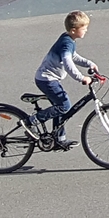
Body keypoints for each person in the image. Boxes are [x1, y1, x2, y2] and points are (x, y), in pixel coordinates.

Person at [33, 11, 98, 150]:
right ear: (74, 30)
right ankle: (34, 120)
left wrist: (89, 63)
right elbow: (68, 62)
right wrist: (81, 78)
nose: (86, 30)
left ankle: (59, 139)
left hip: (49, 79)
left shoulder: (69, 39)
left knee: (60, 108)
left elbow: (74, 56)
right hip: (47, 79)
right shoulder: (66, 43)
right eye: (84, 27)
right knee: (64, 106)